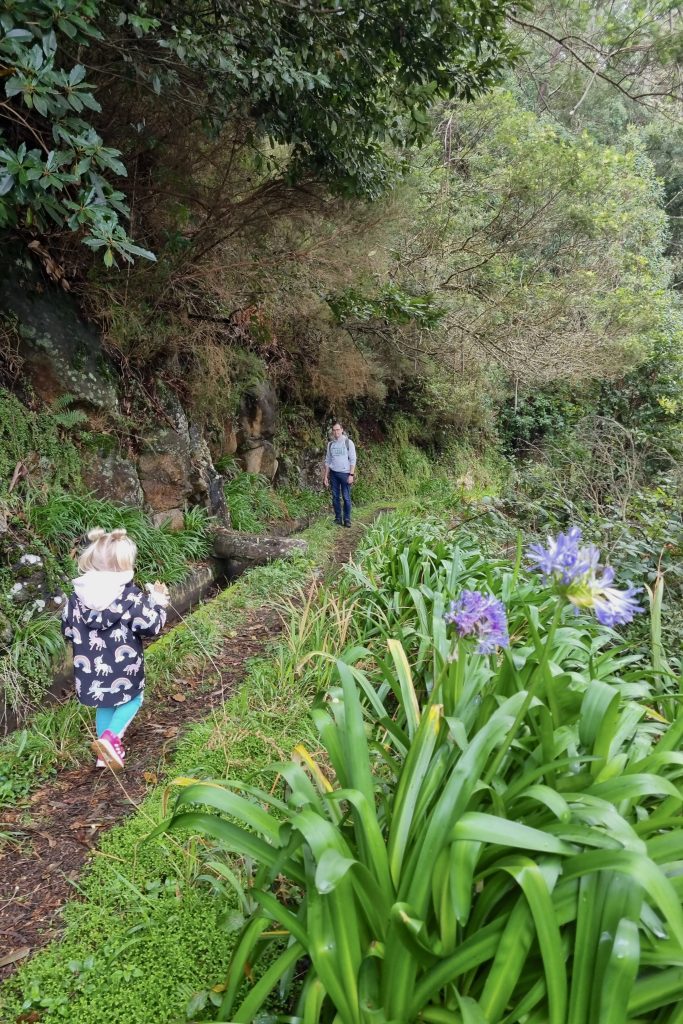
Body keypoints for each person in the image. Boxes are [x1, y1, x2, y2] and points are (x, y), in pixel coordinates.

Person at [61, 527, 170, 771]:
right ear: (125, 566)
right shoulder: (130, 596)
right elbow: (150, 626)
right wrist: (158, 603)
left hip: (89, 668)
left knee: (105, 703)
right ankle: (110, 739)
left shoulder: (75, 598)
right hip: (124, 666)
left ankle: (104, 756)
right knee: (133, 698)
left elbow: (67, 630)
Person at [323, 421, 356, 528]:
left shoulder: (348, 442)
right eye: (334, 430)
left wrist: (351, 475)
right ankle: (338, 518)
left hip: (345, 474)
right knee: (335, 497)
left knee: (346, 497)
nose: (336, 432)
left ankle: (347, 519)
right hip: (334, 474)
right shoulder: (330, 444)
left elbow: (353, 459)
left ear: (342, 430)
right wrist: (325, 476)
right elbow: (327, 461)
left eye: (338, 429)